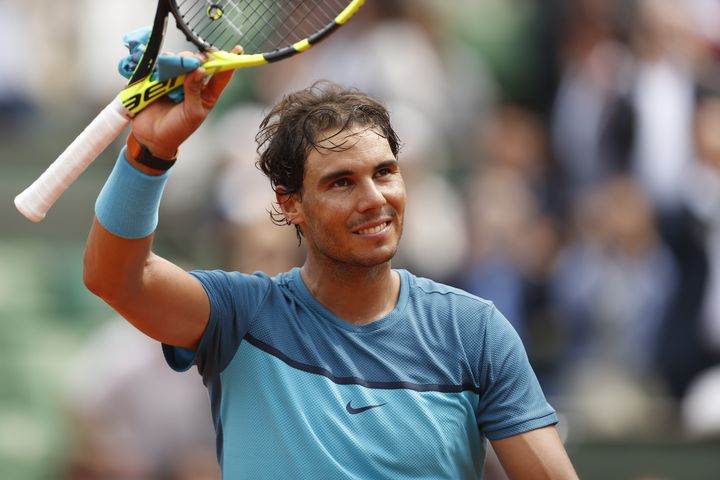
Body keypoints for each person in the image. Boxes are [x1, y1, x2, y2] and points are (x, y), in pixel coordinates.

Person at [82, 53, 578, 478]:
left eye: (385, 173)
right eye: (341, 182)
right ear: (290, 203)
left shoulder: (474, 330)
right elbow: (115, 277)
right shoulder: (240, 314)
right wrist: (150, 152)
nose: (374, 199)